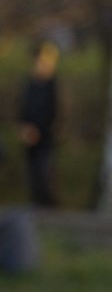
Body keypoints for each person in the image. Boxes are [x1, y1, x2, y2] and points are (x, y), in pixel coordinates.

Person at [17, 39, 61, 207]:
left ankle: (49, 206)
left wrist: (40, 130)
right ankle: (37, 205)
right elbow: (23, 108)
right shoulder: (30, 83)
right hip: (30, 136)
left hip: (45, 136)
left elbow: (55, 112)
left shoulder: (53, 85)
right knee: (33, 173)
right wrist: (24, 128)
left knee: (44, 172)